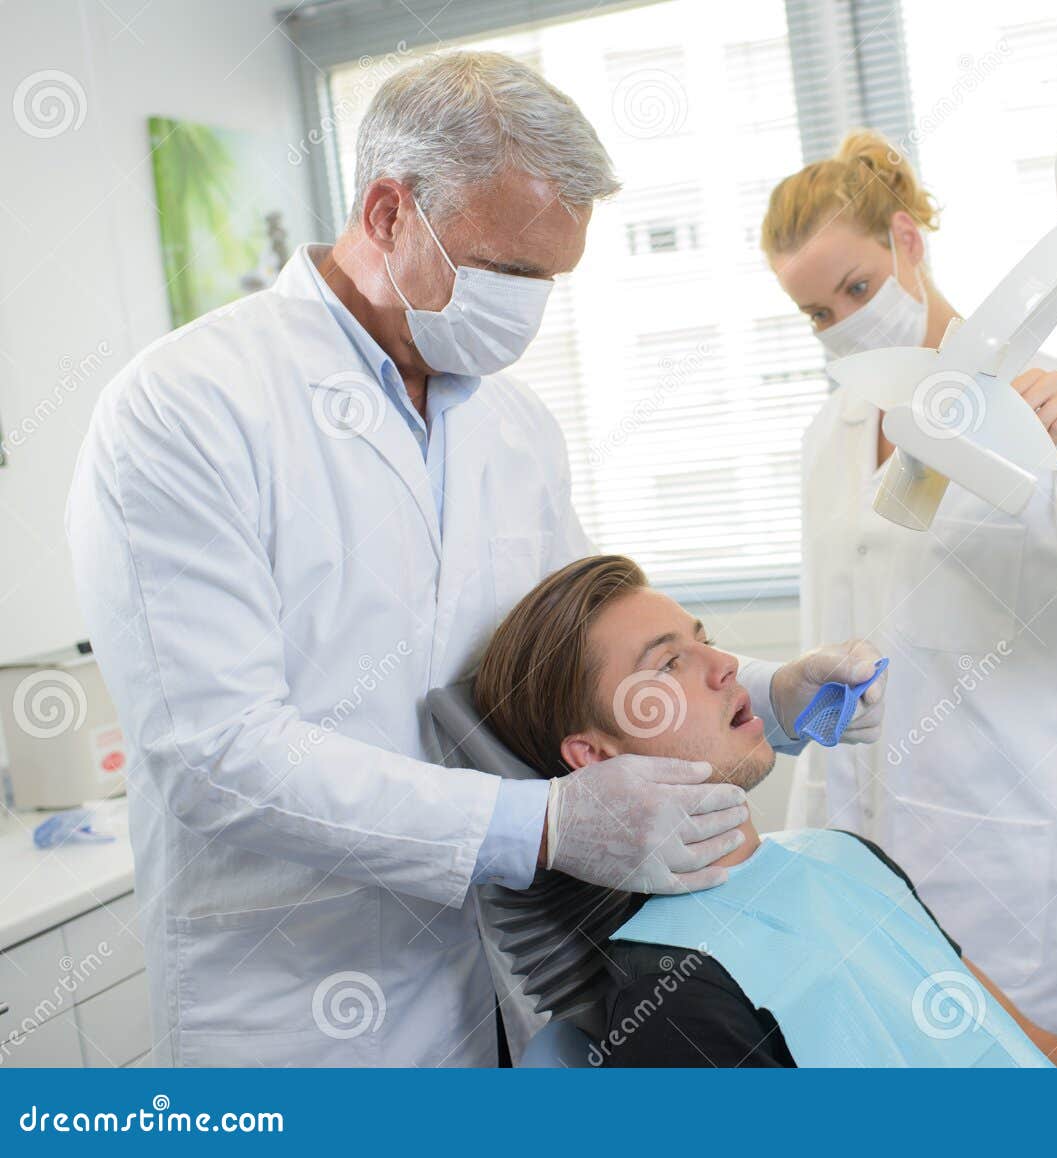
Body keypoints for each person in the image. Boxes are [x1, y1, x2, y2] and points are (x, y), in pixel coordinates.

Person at [63, 52, 885, 1067]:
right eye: (509, 273)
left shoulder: (512, 422)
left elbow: (578, 648)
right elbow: (216, 758)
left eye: (552, 281)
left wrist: (764, 686)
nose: (531, 309)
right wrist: (539, 825)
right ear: (385, 213)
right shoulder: (187, 408)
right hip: (289, 1006)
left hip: (489, 985)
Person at [760, 130, 1057, 1040]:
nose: (843, 323)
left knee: (1021, 1068)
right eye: (817, 313)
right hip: (860, 827)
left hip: (1007, 835)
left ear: (908, 240)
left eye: (856, 288)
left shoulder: (1046, 396)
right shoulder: (833, 433)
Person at [475, 555, 1057, 1068]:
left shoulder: (845, 856)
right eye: (671, 662)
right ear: (594, 756)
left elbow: (1035, 1050)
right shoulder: (673, 993)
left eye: (702, 639)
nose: (726, 666)